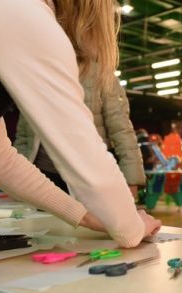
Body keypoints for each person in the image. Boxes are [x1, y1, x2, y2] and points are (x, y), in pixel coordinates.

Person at [0, 0, 160, 247]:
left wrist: (83, 215)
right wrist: (131, 227)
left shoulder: (2, 3)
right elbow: (84, 151)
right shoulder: (27, 15)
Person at [14, 65, 145, 199]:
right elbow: (24, 135)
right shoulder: (37, 72)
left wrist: (131, 180)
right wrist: (17, 177)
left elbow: (122, 130)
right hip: (43, 175)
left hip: (89, 175)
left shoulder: (101, 75)